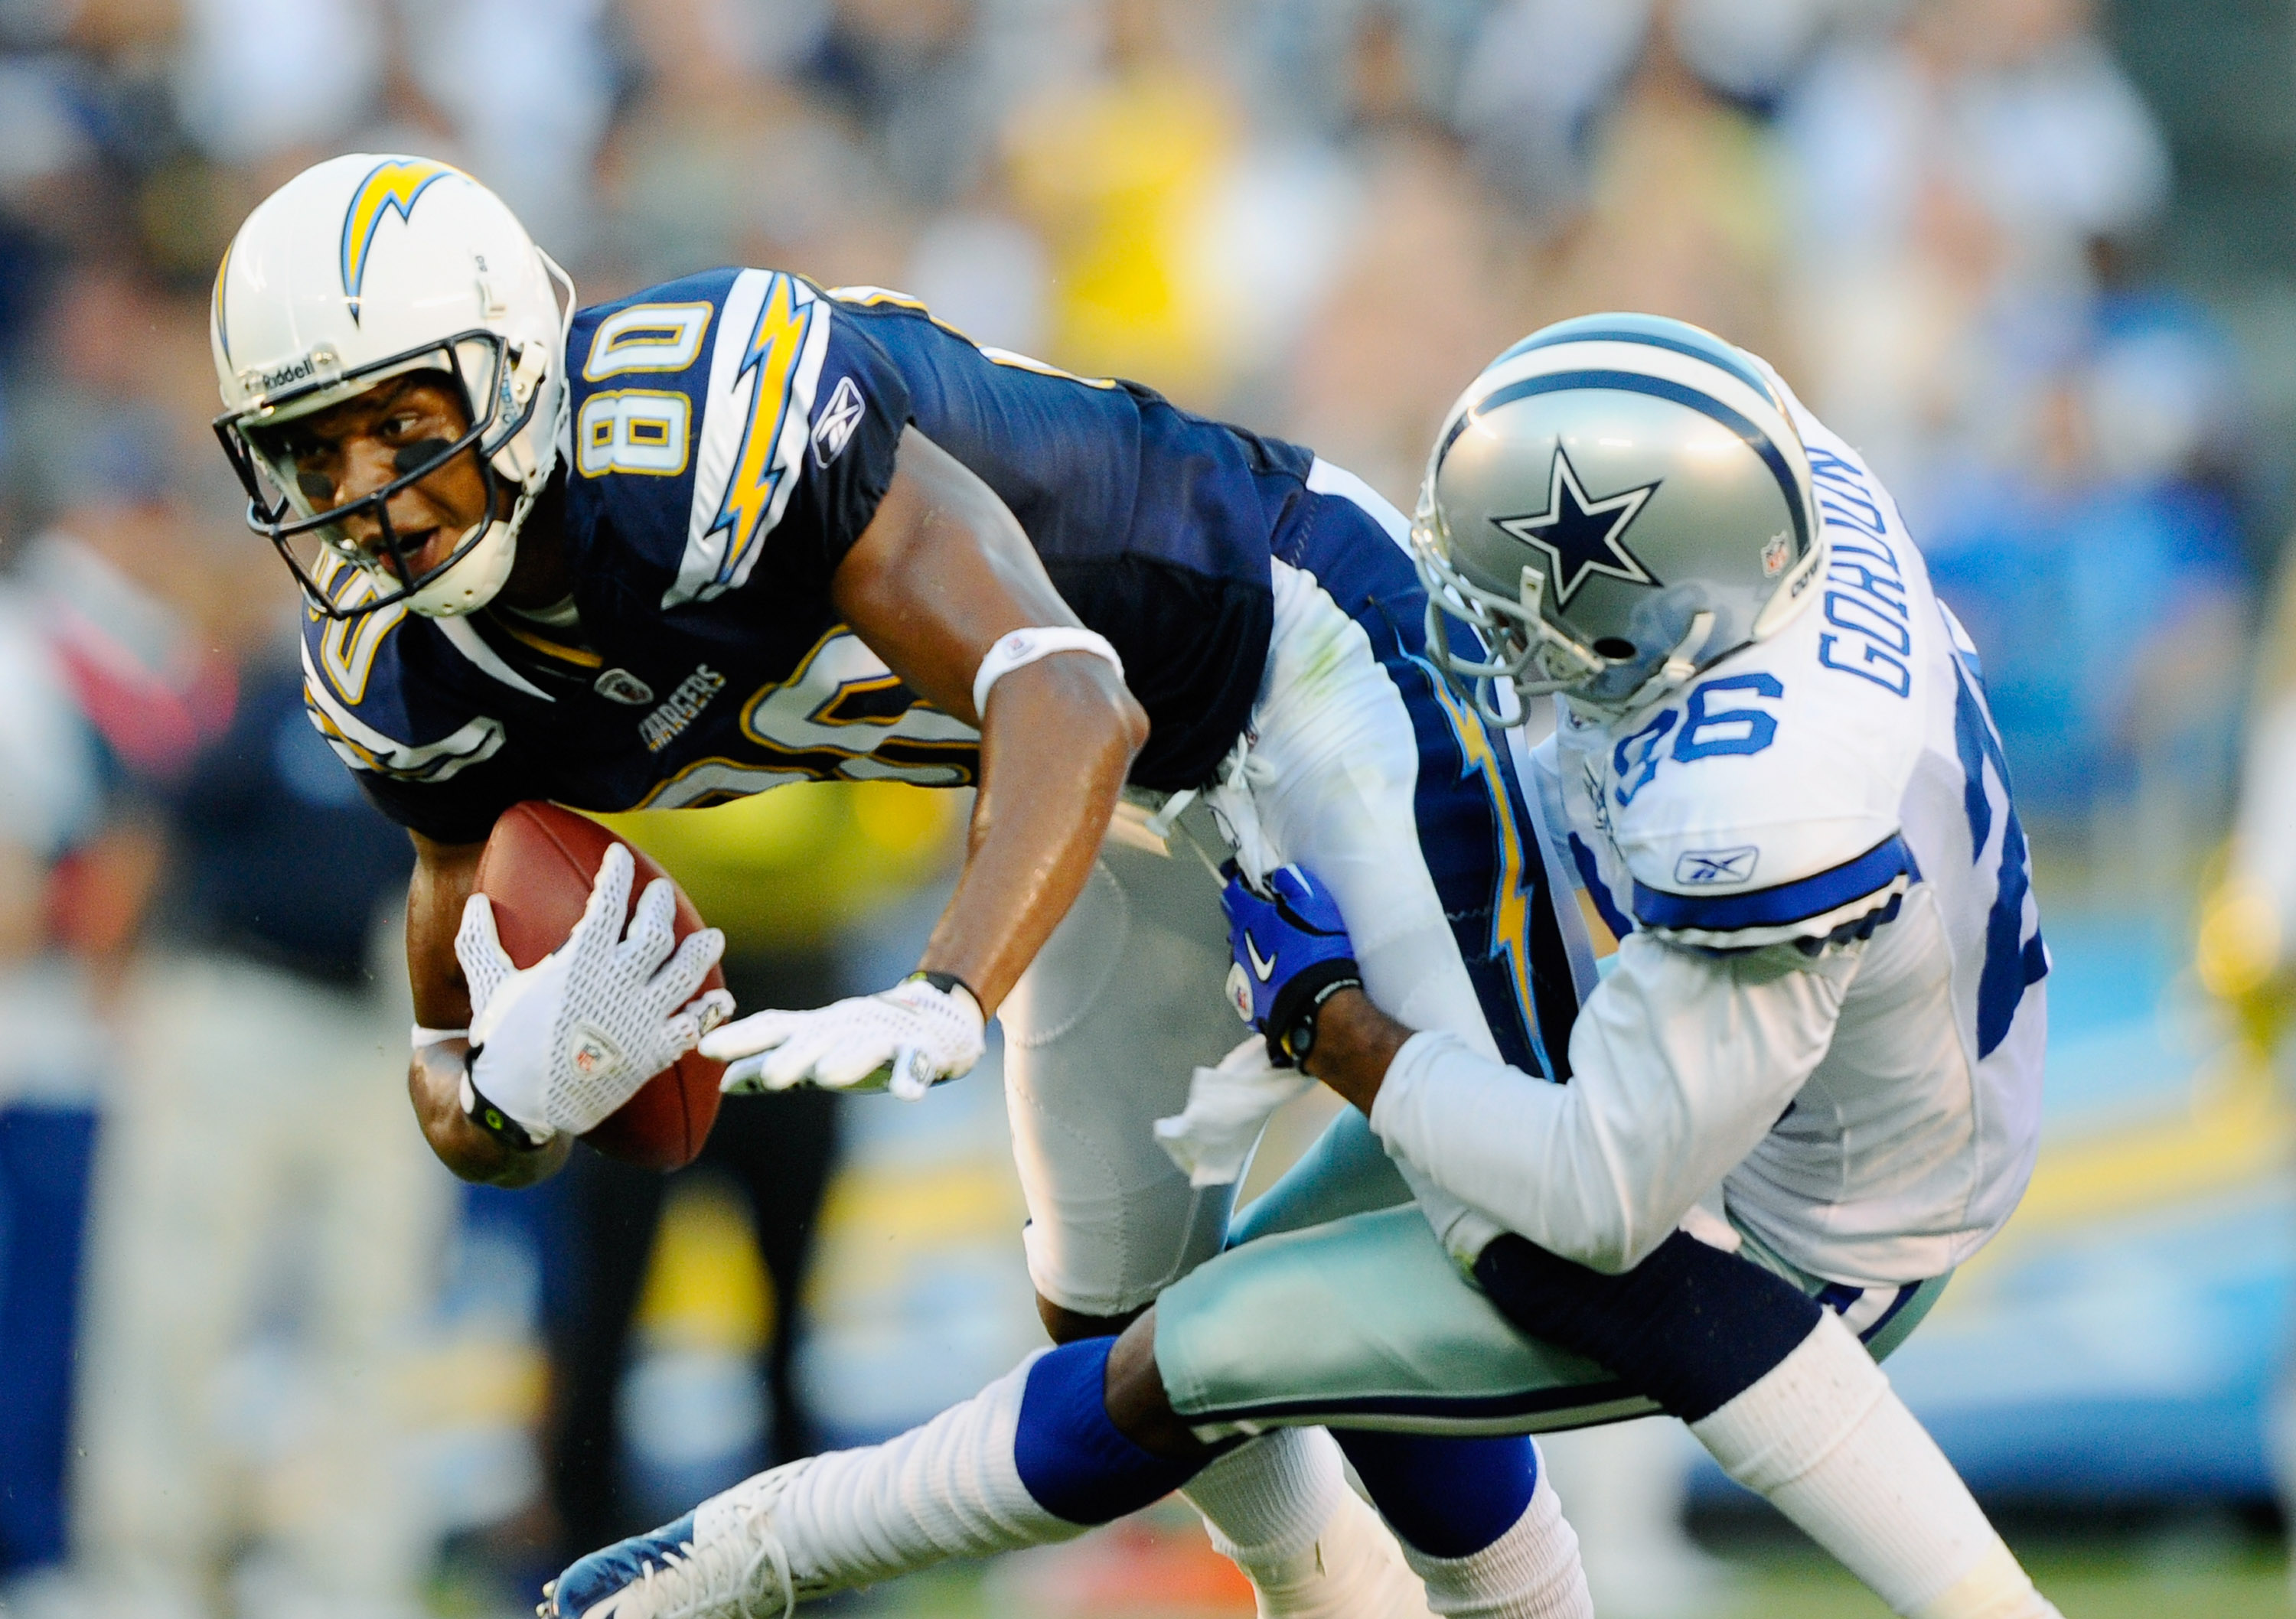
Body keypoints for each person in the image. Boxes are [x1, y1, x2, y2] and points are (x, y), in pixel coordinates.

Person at [210, 152, 1594, 1617]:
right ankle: (1336, 1603)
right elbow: (445, 1074)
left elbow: (1070, 694)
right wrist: (513, 1096)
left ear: (513, 367)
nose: (367, 497)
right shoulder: (401, 676)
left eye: (400, 426)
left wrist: (952, 990)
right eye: (314, 454)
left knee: (1525, 1224)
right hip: (1114, 813)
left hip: (1285, 649)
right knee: (1121, 1324)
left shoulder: (698, 420)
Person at [542, 317, 2064, 1619]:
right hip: (1831, 1078)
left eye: (1534, 616)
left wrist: (1337, 1027)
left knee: (1195, 1357)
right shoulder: (1780, 515)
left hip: (1813, 1215)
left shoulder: (1764, 797)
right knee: (1317, 1311)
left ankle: (748, 1553)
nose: (1494, 643)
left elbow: (1601, 1194)